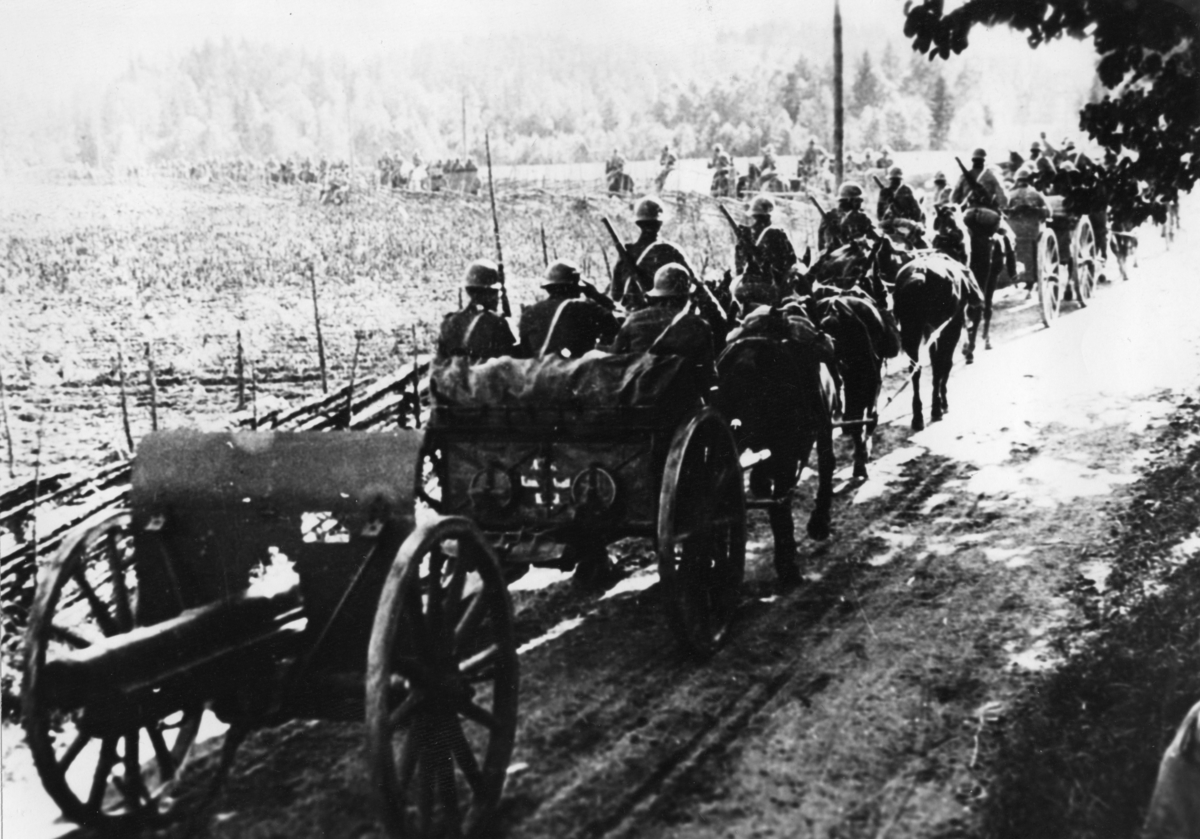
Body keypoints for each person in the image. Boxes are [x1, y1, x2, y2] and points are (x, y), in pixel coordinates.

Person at [610, 263, 716, 384]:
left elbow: (615, 362)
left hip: (640, 392)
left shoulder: (633, 320)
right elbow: (708, 374)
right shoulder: (699, 325)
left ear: (656, 295)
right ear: (685, 297)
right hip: (682, 394)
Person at [519, 259, 619, 359]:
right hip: (577, 367)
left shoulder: (530, 312)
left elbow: (525, 350)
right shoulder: (586, 307)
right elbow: (616, 328)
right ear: (574, 286)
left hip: (540, 367)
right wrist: (595, 294)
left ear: (548, 288)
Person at [609, 196, 693, 306]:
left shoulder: (627, 253)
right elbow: (693, 286)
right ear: (661, 223)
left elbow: (616, 295)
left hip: (631, 314)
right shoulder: (672, 250)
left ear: (638, 223)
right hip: (667, 313)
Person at [438, 259, 518, 361]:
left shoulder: (448, 322)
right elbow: (509, 363)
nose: (497, 297)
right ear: (489, 292)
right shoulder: (497, 323)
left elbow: (441, 362)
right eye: (496, 292)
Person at [733, 195, 797, 309]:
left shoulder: (745, 234)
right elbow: (791, 261)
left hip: (746, 288)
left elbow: (739, 265)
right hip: (771, 289)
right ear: (770, 215)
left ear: (753, 215)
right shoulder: (778, 233)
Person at [819, 182, 878, 249]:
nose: (860, 203)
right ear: (848, 201)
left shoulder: (860, 217)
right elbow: (827, 246)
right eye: (858, 200)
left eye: (860, 200)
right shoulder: (830, 218)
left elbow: (873, 236)